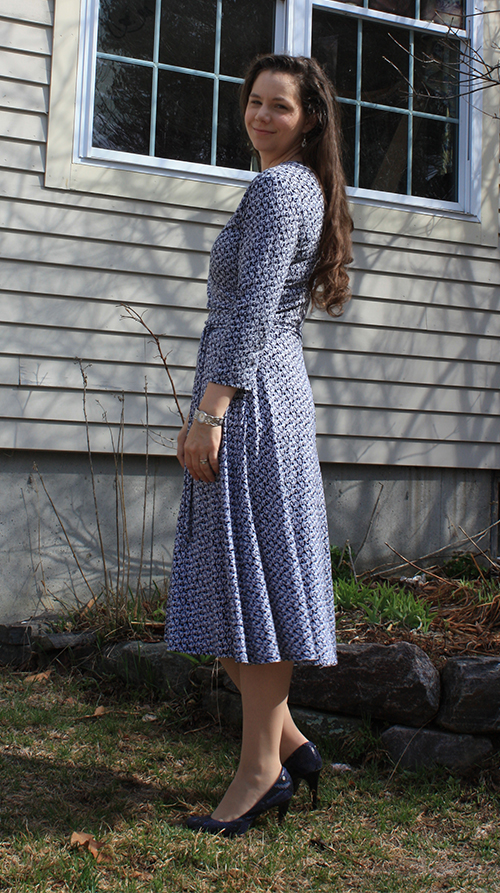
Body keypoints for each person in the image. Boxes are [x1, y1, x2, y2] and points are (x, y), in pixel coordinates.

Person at [165, 53, 353, 837]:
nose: (261, 115)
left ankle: (260, 773)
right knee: (238, 580)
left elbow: (247, 313)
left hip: (247, 401)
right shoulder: (298, 186)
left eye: (280, 105)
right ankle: (295, 747)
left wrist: (210, 412)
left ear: (309, 119)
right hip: (260, 390)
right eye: (254, 102)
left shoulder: (280, 187)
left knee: (249, 589)